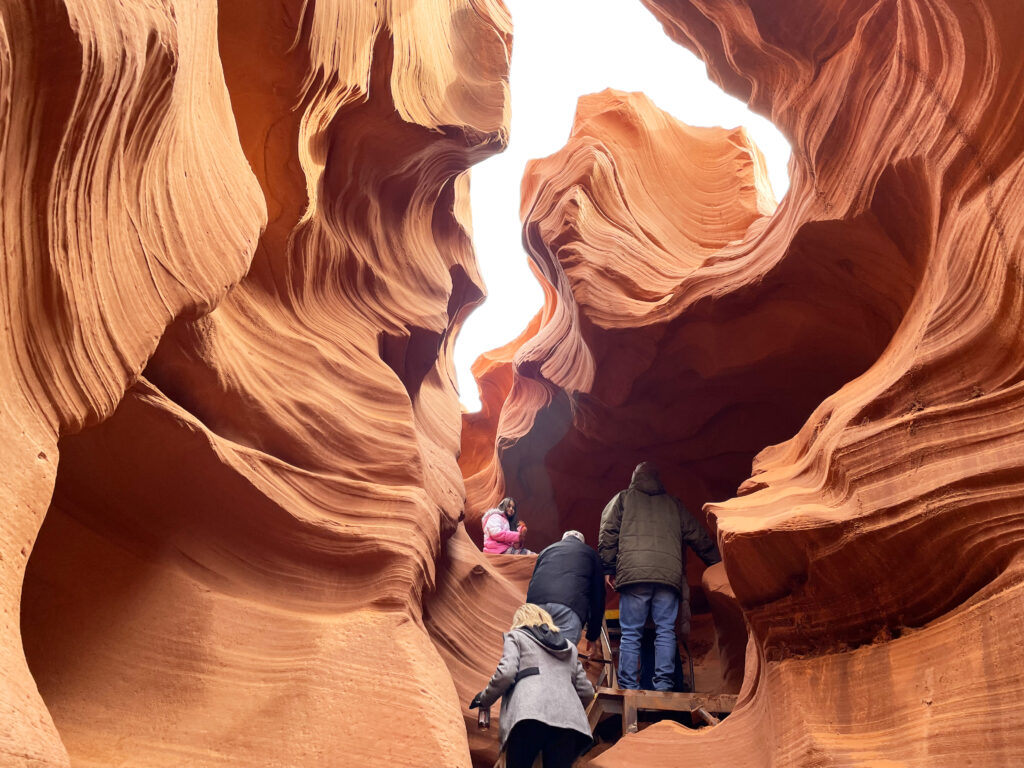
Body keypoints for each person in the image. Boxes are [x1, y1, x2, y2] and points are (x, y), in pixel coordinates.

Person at [598, 461, 721, 691]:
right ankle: (664, 686)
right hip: (667, 577)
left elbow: (608, 532)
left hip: (634, 576)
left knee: (631, 633)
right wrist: (717, 562)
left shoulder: (623, 499)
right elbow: (697, 535)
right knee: (665, 631)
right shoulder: (673, 504)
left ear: (635, 477)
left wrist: (608, 568)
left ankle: (628, 687)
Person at [469, 604, 594, 768]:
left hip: (528, 717)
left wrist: (484, 699)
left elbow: (506, 673)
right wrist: (567, 710)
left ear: (520, 621)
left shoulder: (517, 637)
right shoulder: (569, 647)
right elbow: (587, 692)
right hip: (568, 725)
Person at [525, 531, 605, 652]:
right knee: (562, 661)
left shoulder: (546, 551)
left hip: (536, 608)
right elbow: (598, 597)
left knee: (536, 657)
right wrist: (592, 637)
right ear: (582, 543)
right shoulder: (591, 554)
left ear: (562, 540)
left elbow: (533, 583)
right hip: (569, 607)